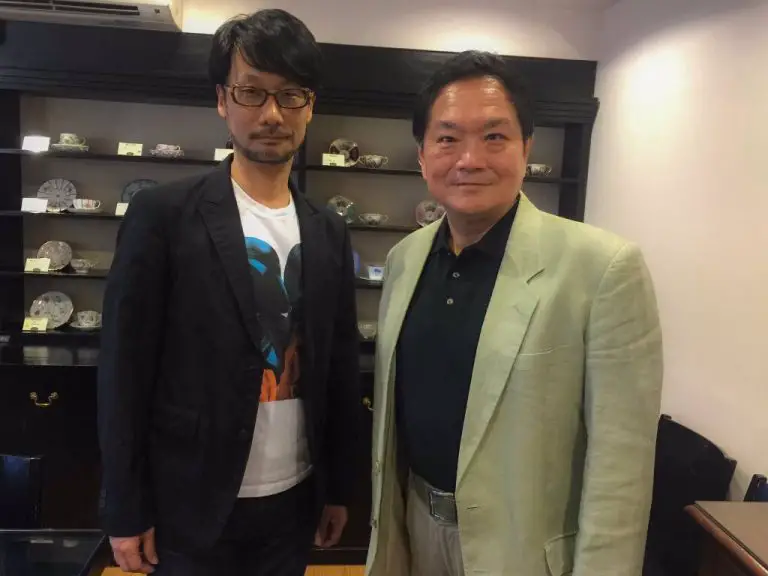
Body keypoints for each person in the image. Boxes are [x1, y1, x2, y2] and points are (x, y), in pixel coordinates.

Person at [366, 51, 663, 576]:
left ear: (526, 147)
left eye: (494, 136)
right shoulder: (404, 259)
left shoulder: (602, 268)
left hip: (525, 553)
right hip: (415, 532)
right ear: (422, 156)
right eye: (448, 138)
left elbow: (621, 469)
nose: (470, 159)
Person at [98, 10, 360, 576]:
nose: (272, 114)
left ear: (310, 105)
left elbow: (338, 366)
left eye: (290, 95)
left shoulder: (328, 229)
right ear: (222, 99)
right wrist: (124, 505)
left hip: (294, 498)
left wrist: (338, 487)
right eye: (251, 92)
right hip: (189, 499)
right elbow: (123, 370)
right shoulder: (163, 215)